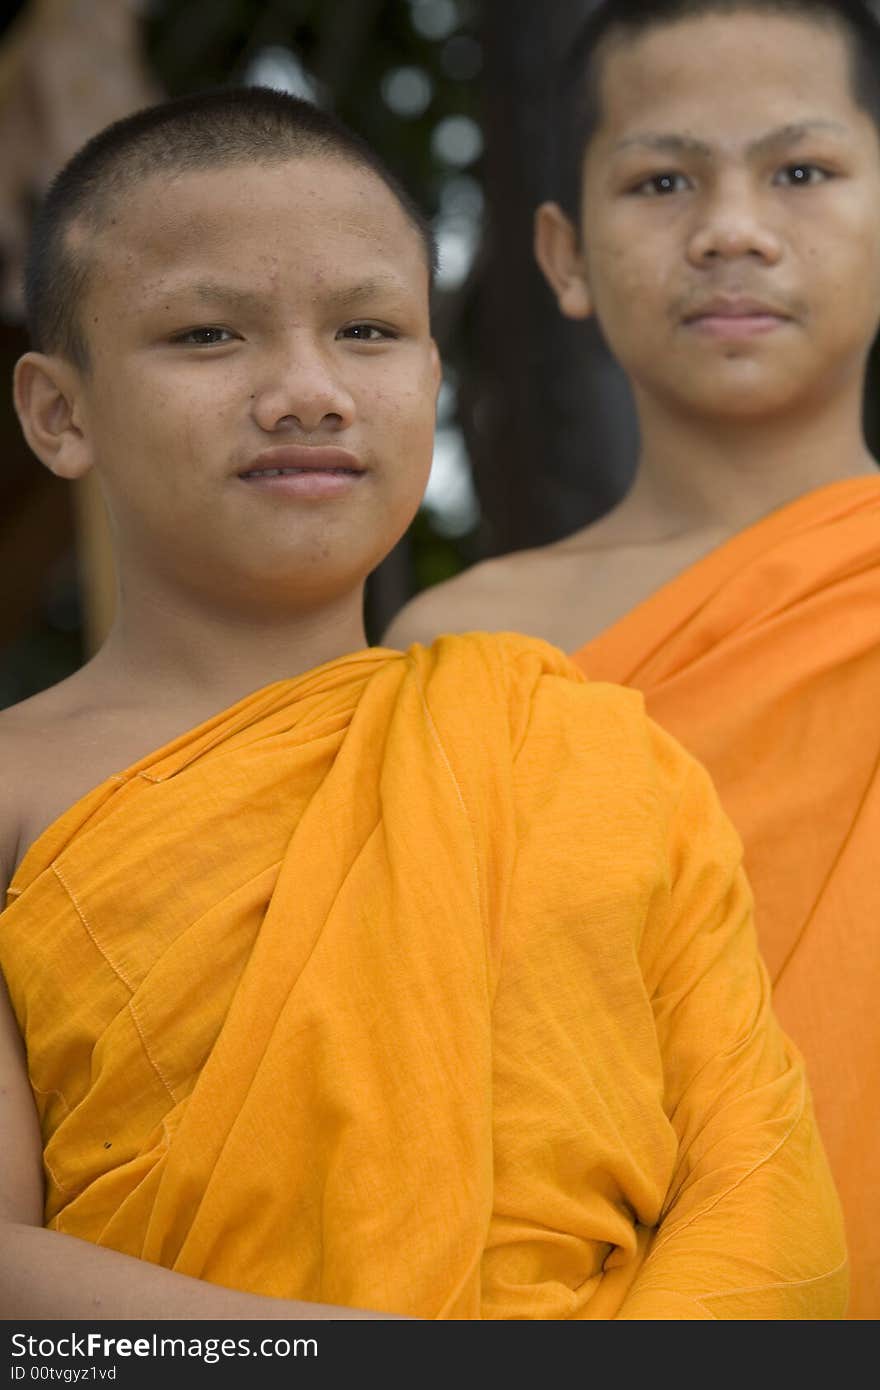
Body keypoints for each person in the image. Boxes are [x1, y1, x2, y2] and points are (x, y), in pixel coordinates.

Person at [0, 86, 847, 1324]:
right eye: (206, 337)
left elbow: (762, 1192)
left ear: (431, 373)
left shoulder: (586, 753)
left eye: (367, 331)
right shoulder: (16, 789)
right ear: (58, 412)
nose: (307, 390)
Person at [382, 0, 880, 1320]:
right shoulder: (465, 644)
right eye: (663, 179)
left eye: (802, 171)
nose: (730, 228)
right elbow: (427, 1071)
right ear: (565, 253)